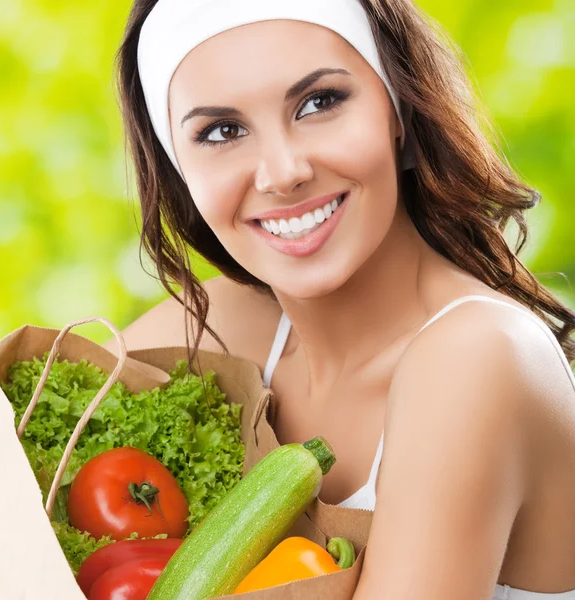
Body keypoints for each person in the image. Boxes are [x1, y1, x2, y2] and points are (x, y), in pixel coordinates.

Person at [108, 0, 575, 597]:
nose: (282, 171)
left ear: (400, 112)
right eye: (222, 131)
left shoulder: (478, 356)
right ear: (181, 171)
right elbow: (2, 467)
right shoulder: (230, 324)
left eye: (319, 102)